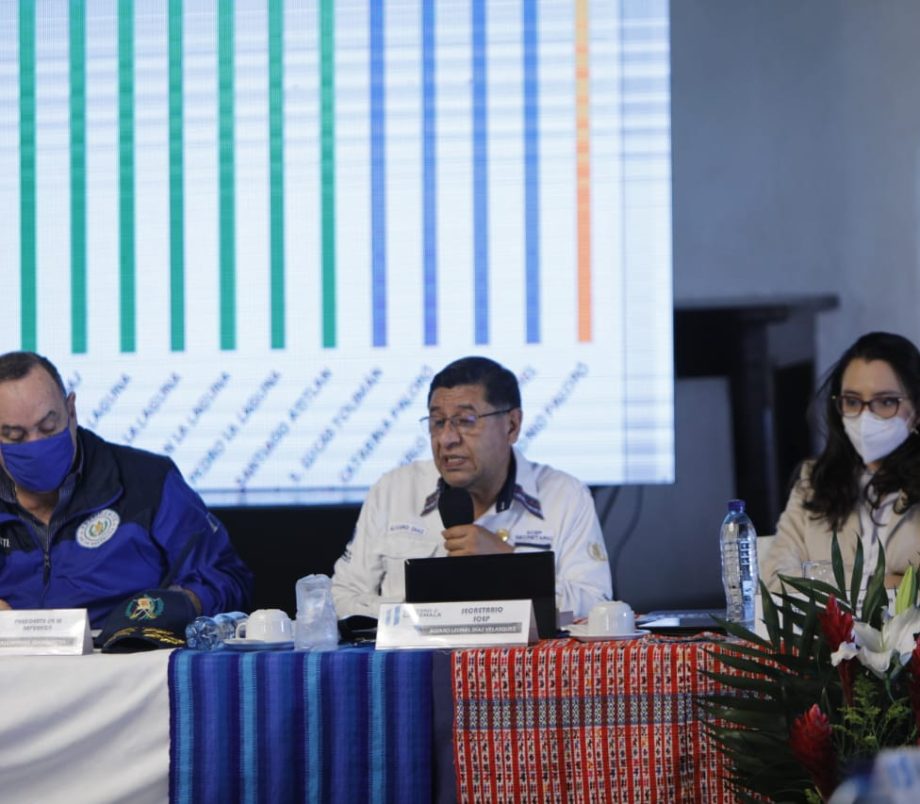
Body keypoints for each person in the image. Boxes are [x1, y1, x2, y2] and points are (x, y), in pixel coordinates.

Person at [331, 356, 613, 621]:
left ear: (512, 426)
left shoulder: (565, 496)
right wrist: (422, 616)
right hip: (416, 657)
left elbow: (597, 607)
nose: (446, 439)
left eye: (465, 421)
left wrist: (509, 564)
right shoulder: (393, 491)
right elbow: (342, 597)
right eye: (437, 422)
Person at [0, 351, 253, 628]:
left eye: (48, 427)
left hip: (126, 650)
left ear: (71, 411)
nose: (36, 445)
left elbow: (228, 580)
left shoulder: (150, 482)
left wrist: (181, 605)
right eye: (15, 436)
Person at [763, 332, 920, 593]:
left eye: (886, 402)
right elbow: (774, 579)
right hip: (826, 623)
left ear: (916, 409)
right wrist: (884, 583)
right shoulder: (814, 481)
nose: (865, 416)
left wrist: (818, 577)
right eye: (853, 401)